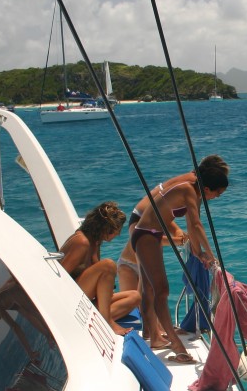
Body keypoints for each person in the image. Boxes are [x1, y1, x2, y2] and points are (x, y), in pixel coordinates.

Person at [131, 155, 229, 363]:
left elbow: (194, 229)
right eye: (217, 194)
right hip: (146, 235)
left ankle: (157, 338)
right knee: (161, 290)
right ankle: (176, 346)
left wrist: (199, 252)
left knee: (155, 289)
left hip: (150, 235)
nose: (216, 198)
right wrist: (210, 255)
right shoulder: (187, 190)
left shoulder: (194, 193)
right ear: (209, 188)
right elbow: (195, 226)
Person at [58, 201, 140, 335]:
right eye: (116, 230)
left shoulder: (95, 242)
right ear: (106, 228)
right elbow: (61, 278)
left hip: (88, 298)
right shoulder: (81, 242)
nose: (118, 234)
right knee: (108, 265)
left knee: (135, 296)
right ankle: (107, 321)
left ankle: (100, 318)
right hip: (72, 298)